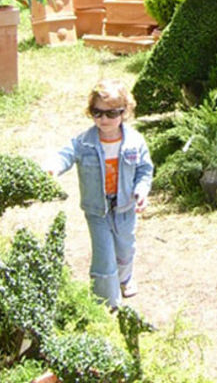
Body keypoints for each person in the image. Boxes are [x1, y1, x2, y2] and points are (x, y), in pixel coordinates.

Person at [47, 78, 153, 310]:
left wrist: (141, 191)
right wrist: (53, 168)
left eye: (111, 113)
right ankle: (105, 302)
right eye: (97, 113)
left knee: (125, 248)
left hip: (125, 206)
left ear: (124, 112)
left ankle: (125, 278)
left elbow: (144, 170)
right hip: (97, 209)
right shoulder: (84, 142)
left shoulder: (135, 142)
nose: (104, 119)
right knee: (104, 252)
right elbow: (65, 155)